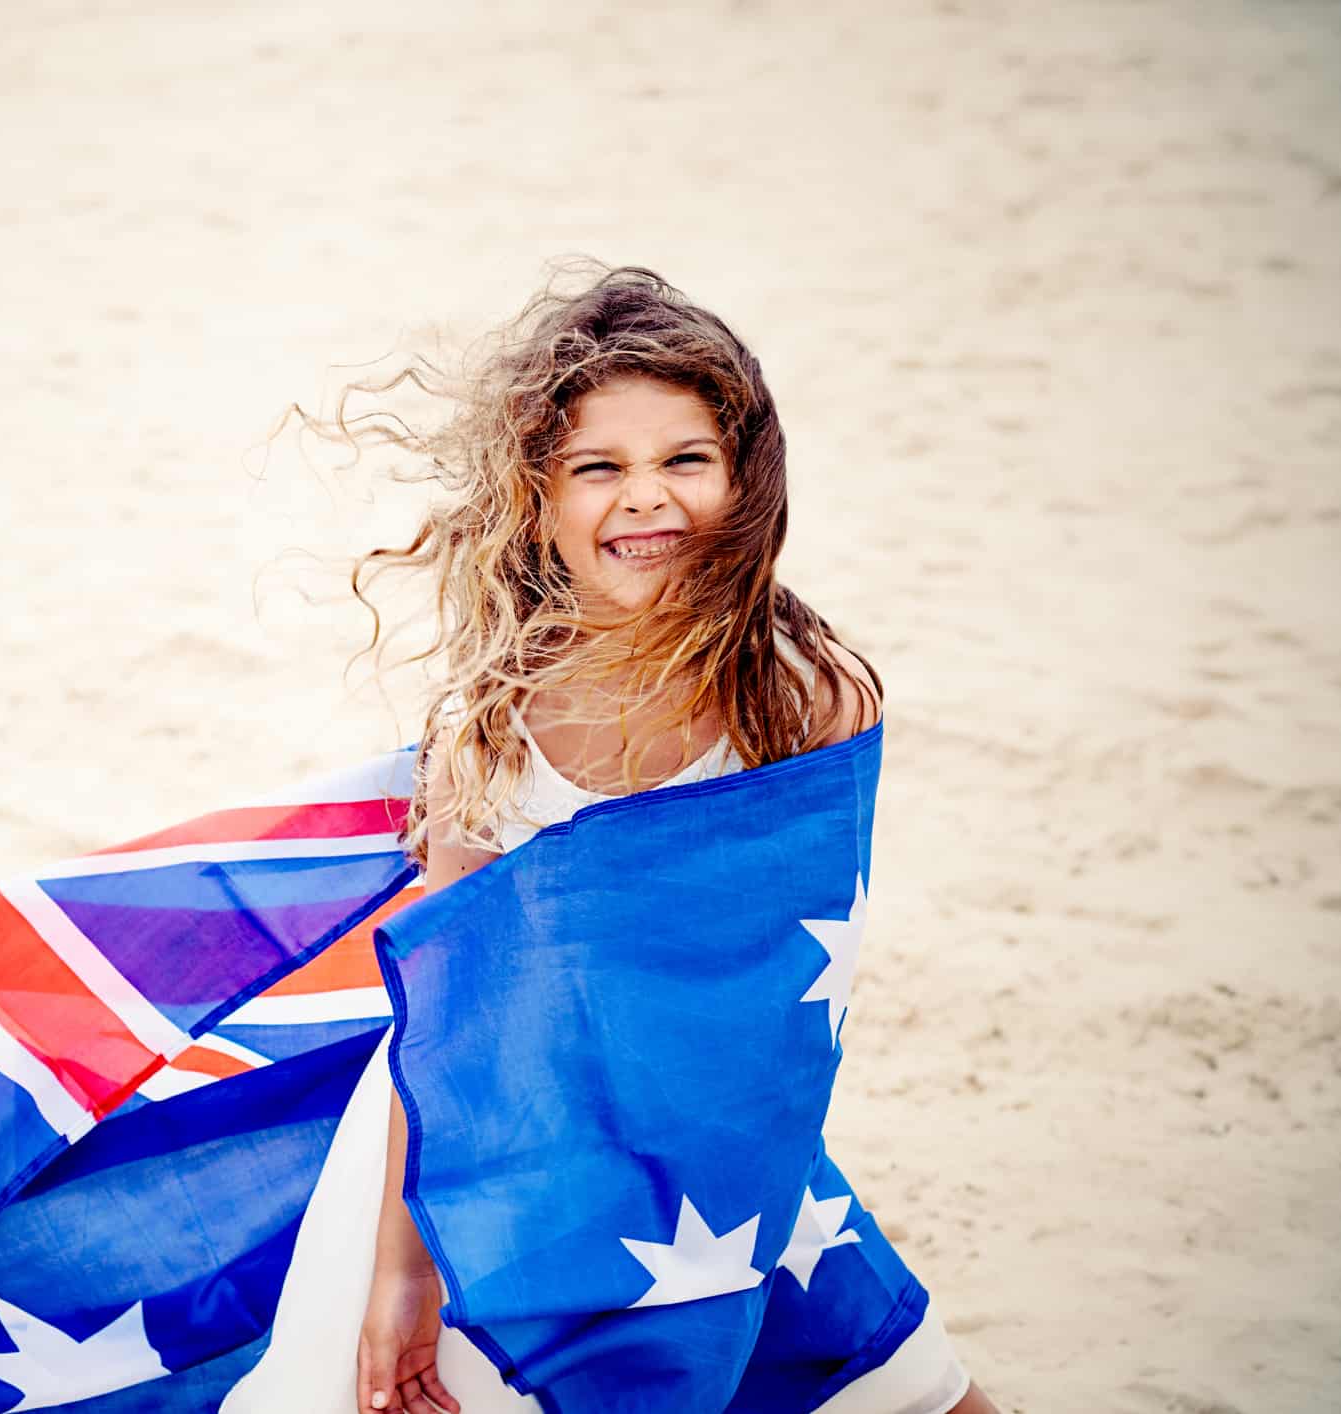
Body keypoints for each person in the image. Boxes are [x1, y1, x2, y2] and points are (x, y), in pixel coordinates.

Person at [292, 263, 1003, 1414]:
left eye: (685, 459)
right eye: (598, 468)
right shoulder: (496, 715)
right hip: (503, 1175)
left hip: (724, 1157)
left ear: (745, 479)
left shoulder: (801, 701)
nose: (644, 498)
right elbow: (445, 1019)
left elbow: (783, 996)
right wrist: (404, 1269)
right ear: (538, 498)